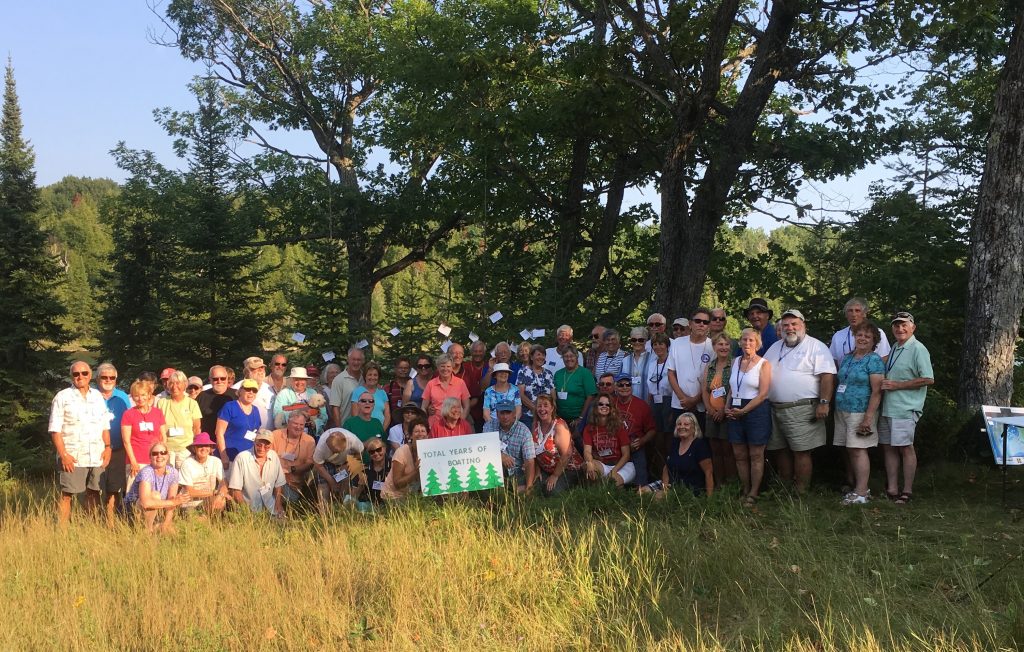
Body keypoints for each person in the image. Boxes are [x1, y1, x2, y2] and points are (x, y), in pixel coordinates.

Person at [764, 309, 836, 492]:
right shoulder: (775, 347)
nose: (790, 328)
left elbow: (827, 376)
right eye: (786, 325)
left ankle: (801, 490)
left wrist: (824, 402)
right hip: (774, 408)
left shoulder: (816, 346)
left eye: (794, 324)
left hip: (802, 408)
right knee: (779, 449)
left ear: (803, 325)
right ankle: (784, 485)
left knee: (801, 451)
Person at [880, 312, 934, 504]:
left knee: (905, 447)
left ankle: (907, 490)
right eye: (896, 325)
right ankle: (892, 488)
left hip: (905, 407)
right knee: (888, 447)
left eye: (904, 325)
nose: (900, 329)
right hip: (888, 407)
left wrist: (898, 385)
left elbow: (928, 378)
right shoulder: (896, 346)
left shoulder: (918, 348)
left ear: (913, 327)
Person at [49, 361, 112, 525]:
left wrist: (108, 447)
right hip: (73, 455)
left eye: (84, 373)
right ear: (71, 376)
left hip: (96, 455)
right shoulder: (62, 397)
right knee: (67, 494)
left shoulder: (97, 396)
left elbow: (105, 424)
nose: (80, 377)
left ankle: (91, 526)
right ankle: (62, 531)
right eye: (76, 374)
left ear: (90, 375)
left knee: (94, 492)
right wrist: (63, 455)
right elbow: (55, 430)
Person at [834, 320, 885, 505]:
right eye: (860, 335)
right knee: (850, 450)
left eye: (867, 336)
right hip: (842, 409)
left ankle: (862, 492)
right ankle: (857, 488)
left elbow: (877, 391)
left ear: (874, 341)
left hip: (860, 411)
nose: (862, 338)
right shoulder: (848, 357)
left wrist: (868, 418)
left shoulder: (874, 360)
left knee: (858, 450)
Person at [726, 328, 773, 503]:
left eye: (751, 340)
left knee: (756, 454)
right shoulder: (735, 361)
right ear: (739, 342)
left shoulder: (764, 364)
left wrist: (744, 411)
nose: (747, 343)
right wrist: (726, 406)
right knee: (739, 453)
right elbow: (732, 387)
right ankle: (745, 488)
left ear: (758, 343)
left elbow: (763, 394)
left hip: (755, 410)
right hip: (734, 409)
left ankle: (754, 492)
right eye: (744, 339)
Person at [640, 412, 713, 497]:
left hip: (689, 489)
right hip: (670, 484)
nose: (682, 427)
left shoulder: (700, 445)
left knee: (657, 497)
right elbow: (666, 468)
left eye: (686, 424)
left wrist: (709, 499)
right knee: (641, 493)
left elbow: (708, 473)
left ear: (694, 427)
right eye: (679, 424)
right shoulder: (675, 443)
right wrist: (665, 488)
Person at [124, 442, 189, 532]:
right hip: (133, 509)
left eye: (163, 453)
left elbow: (172, 500)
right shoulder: (146, 472)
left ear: (168, 455)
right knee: (155, 496)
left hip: (158, 508)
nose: (159, 456)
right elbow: (145, 503)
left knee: (171, 532)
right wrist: (173, 502)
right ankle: (147, 532)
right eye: (155, 453)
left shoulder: (173, 472)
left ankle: (158, 527)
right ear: (150, 457)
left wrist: (166, 524)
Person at [95, 362, 131, 525]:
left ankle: (110, 523)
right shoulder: (91, 396)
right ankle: (93, 520)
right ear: (97, 378)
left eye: (111, 377)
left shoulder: (123, 397)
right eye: (104, 377)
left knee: (114, 488)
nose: (108, 380)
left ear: (116, 380)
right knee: (94, 488)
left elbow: (130, 421)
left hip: (118, 450)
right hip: (96, 450)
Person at [668, 308, 714, 428]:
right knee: (679, 441)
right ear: (690, 323)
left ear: (709, 326)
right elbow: (671, 373)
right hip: (680, 403)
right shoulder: (677, 343)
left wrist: (695, 399)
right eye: (698, 321)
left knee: (700, 442)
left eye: (705, 322)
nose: (701, 324)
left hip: (703, 404)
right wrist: (683, 398)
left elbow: (714, 378)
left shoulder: (713, 346)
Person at [702, 332, 737, 486]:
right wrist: (710, 409)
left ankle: (731, 485)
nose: (723, 347)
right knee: (715, 451)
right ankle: (719, 483)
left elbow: (734, 389)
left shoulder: (735, 364)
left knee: (727, 451)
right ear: (714, 347)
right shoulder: (709, 366)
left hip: (727, 413)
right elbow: (704, 390)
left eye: (726, 344)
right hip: (711, 414)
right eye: (720, 344)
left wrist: (724, 410)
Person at [531, 395, 584, 495]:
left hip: (567, 469)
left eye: (546, 405)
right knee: (535, 487)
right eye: (539, 406)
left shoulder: (559, 426)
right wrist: (537, 471)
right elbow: (534, 452)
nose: (542, 409)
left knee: (550, 492)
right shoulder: (535, 424)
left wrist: (555, 475)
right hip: (546, 469)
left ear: (552, 408)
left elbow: (567, 454)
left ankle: (576, 486)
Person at [228, 430, 286, 517]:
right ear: (254, 441)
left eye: (266, 446)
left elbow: (279, 485)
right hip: (249, 509)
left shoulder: (274, 456)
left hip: (271, 507)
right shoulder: (242, 458)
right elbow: (236, 490)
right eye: (259, 445)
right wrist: (246, 513)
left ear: (271, 445)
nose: (262, 449)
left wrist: (278, 505)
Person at [483, 400, 537, 492]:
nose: (505, 416)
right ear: (497, 414)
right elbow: (483, 449)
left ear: (514, 414)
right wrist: (501, 456)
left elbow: (529, 461)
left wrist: (529, 487)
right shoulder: (489, 426)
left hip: (516, 470)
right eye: (502, 413)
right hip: (493, 469)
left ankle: (513, 489)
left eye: (508, 412)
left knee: (518, 489)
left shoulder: (524, 431)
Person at [613, 374, 657, 486]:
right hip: (615, 446)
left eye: (628, 384)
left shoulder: (642, 405)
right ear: (615, 387)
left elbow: (652, 430)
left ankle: (641, 491)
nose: (624, 387)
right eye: (621, 385)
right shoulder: (610, 404)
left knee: (640, 475)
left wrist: (642, 441)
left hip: (634, 446)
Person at [122, 379, 167, 486]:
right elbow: (126, 441)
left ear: (149, 395)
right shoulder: (128, 414)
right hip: (136, 459)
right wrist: (133, 462)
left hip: (155, 459)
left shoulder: (158, 412)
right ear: (132, 397)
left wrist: (162, 457)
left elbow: (164, 438)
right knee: (134, 494)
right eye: (136, 395)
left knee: (155, 492)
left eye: (143, 395)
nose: (140, 398)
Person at [582, 397, 634, 486]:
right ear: (595, 407)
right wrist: (590, 463)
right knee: (586, 466)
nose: (604, 406)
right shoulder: (589, 428)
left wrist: (614, 471)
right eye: (601, 404)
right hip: (603, 465)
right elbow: (587, 451)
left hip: (621, 465)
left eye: (607, 405)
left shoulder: (619, 427)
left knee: (612, 483)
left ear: (611, 408)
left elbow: (626, 455)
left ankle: (609, 488)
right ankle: (595, 493)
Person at [157, 370, 202, 469]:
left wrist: (195, 449)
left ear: (185, 384)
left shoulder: (192, 403)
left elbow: (197, 429)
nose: (174, 386)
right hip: (167, 449)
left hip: (186, 449)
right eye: (171, 383)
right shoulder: (161, 403)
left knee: (184, 480)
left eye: (178, 383)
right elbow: (158, 428)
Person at [215, 378, 263, 467]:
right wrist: (224, 456)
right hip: (230, 459)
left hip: (249, 459)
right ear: (240, 391)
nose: (251, 392)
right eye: (248, 389)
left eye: (254, 390)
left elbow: (256, 434)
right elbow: (219, 433)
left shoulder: (256, 410)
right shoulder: (229, 407)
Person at [829, 297, 892, 366]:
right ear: (846, 314)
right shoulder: (838, 336)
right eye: (850, 311)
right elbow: (833, 362)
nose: (853, 315)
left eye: (857, 311)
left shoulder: (877, 333)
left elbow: (884, 359)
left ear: (864, 314)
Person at [177, 432, 229, 514]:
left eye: (206, 445)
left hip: (210, 499)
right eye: (200, 446)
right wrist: (213, 492)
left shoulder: (216, 461)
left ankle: (215, 521)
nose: (203, 448)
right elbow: (190, 492)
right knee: (200, 521)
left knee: (222, 501)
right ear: (194, 448)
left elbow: (224, 482)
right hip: (190, 503)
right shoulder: (187, 463)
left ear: (210, 448)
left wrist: (220, 495)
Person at [271, 411, 316, 502]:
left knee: (289, 499)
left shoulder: (309, 440)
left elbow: (310, 463)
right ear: (288, 423)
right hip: (273, 476)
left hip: (293, 482)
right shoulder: (276, 434)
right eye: (295, 423)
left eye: (301, 425)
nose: (298, 427)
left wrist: (293, 469)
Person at [381, 416, 429, 501]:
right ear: (410, 436)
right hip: (394, 497)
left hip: (412, 496)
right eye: (416, 431)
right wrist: (416, 471)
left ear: (427, 435)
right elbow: (397, 483)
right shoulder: (401, 452)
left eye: (423, 431)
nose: (420, 434)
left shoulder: (429, 453)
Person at [312, 428, 365, 502]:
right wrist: (331, 481)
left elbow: (360, 452)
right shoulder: (322, 445)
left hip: (345, 461)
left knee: (345, 481)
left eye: (338, 452)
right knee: (323, 485)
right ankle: (324, 511)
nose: (335, 454)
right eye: (333, 451)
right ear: (327, 444)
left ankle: (343, 506)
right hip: (325, 462)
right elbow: (318, 465)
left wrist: (348, 464)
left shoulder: (352, 439)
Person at [553, 344, 597, 433]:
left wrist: (581, 418)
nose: (569, 359)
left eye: (571, 356)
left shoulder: (585, 373)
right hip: (560, 419)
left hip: (577, 420)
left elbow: (590, 397)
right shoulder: (558, 374)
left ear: (577, 356)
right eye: (566, 356)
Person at [272, 367, 327, 435]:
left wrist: (315, 423)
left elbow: (324, 415)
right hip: (289, 433)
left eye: (302, 380)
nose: (299, 382)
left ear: (306, 380)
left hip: (310, 434)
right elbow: (277, 414)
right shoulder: (283, 394)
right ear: (291, 380)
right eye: (296, 380)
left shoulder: (313, 392)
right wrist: (297, 415)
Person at [518, 344, 556, 430]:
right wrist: (536, 409)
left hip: (546, 415)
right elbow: (521, 394)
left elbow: (553, 394)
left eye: (543, 355)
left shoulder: (548, 373)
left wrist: (550, 410)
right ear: (531, 357)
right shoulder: (523, 371)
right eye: (538, 354)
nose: (541, 357)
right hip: (529, 416)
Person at [234, 356, 275, 429]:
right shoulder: (236, 389)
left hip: (266, 436)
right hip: (244, 437)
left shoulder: (269, 389)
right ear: (247, 372)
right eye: (255, 368)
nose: (260, 371)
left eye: (262, 367)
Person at [450, 343, 484, 429]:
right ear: (448, 355)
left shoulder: (468, 372)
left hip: (464, 413)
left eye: (460, 353)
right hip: (442, 413)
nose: (458, 356)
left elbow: (475, 398)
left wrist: (462, 409)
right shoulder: (441, 372)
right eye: (455, 353)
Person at [349, 361, 391, 430]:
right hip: (363, 430)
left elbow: (387, 415)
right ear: (365, 376)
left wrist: (382, 431)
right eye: (370, 374)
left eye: (375, 375)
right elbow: (355, 415)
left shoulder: (382, 392)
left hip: (380, 430)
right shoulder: (357, 392)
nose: (372, 377)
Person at [329, 347, 365, 427]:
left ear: (363, 361)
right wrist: (340, 428)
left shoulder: (366, 378)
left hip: (364, 426)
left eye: (359, 360)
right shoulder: (339, 380)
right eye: (353, 359)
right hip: (346, 426)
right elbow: (335, 407)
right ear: (348, 360)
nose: (356, 362)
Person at [351, 436, 391, 506]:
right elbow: (353, 496)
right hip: (370, 504)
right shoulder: (364, 470)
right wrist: (360, 485)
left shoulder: (393, 465)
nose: (376, 453)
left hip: (390, 503)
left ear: (384, 449)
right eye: (372, 452)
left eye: (378, 450)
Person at [197, 366, 236, 436]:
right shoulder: (202, 396)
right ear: (210, 379)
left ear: (227, 379)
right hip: (209, 443)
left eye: (223, 378)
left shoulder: (237, 395)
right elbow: (196, 422)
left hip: (232, 442)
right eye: (215, 379)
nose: (219, 381)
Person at [622, 326, 652, 401]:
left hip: (647, 402)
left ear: (646, 341)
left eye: (641, 340)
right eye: (634, 340)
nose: (637, 342)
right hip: (628, 402)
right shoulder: (625, 360)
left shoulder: (653, 359)